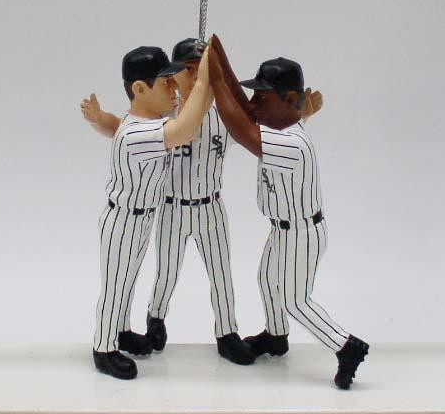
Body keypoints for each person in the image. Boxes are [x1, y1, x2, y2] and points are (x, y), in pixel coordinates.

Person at [207, 35, 369, 390]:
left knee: (296, 301)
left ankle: (346, 346)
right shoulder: (277, 123)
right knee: (267, 279)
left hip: (302, 232)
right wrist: (219, 55)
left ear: (291, 100)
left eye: (262, 97)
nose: (254, 103)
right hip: (281, 229)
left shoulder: (292, 141)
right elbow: (245, 109)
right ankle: (276, 336)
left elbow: (240, 127)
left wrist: (215, 78)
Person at [83, 38, 255, 365]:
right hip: (161, 209)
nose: (182, 81)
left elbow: (251, 130)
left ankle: (224, 332)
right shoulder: (159, 121)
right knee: (145, 277)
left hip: (203, 206)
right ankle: (109, 345)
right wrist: (204, 83)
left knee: (218, 274)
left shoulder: (192, 116)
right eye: (178, 74)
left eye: (199, 70)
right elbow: (177, 129)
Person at [85, 43, 211, 380]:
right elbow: (186, 129)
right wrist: (202, 83)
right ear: (140, 89)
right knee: (116, 286)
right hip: (124, 220)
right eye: (166, 83)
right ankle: (103, 348)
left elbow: (114, 124)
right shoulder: (140, 132)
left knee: (127, 281)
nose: (174, 90)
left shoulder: (141, 121)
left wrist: (99, 119)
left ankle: (121, 331)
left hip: (140, 218)